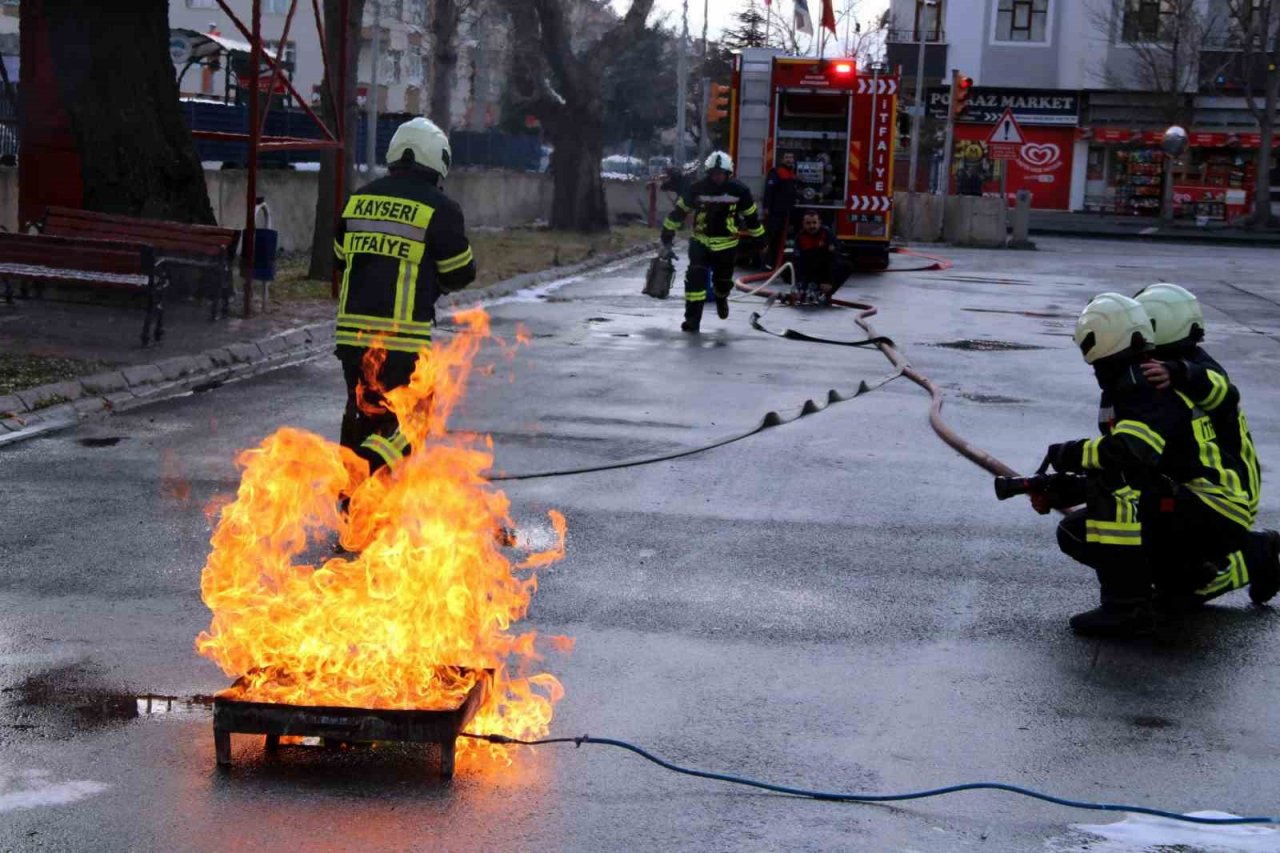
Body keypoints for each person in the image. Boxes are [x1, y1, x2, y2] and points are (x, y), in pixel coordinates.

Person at [1035, 293, 1257, 637]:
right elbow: (1144, 465)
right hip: (1209, 504)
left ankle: (1125, 606)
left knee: (1112, 493)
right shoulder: (1138, 381)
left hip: (1212, 505)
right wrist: (1066, 488)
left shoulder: (1147, 384)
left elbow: (1128, 455)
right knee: (1078, 532)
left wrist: (1072, 454)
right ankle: (1244, 560)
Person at [333, 117, 476, 475]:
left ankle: (354, 498)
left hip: (350, 338)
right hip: (400, 339)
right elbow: (460, 272)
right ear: (436, 159)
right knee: (415, 414)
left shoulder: (358, 201)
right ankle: (373, 466)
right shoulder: (440, 208)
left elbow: (337, 258)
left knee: (362, 409)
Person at [1134, 283, 1277, 605]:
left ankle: (1248, 560)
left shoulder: (1198, 369)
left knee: (1179, 594)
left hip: (1228, 487)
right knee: (1163, 564)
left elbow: (1221, 389)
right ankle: (1198, 563)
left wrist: (1180, 372)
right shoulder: (1164, 365)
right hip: (1203, 483)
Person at [660, 151, 765, 333]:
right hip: (701, 240)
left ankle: (721, 297)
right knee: (695, 279)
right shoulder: (696, 189)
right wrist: (667, 234)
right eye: (714, 173)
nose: (717, 177)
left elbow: (752, 218)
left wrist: (761, 241)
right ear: (708, 173)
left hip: (727, 244)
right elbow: (679, 212)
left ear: (728, 173)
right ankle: (692, 320)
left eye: (721, 173)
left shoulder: (740, 191)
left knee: (722, 282)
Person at [792, 210, 842, 306]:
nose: (812, 226)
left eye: (814, 223)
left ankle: (827, 291)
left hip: (824, 270)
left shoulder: (827, 234)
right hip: (808, 269)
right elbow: (797, 262)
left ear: (820, 223)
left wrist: (829, 281)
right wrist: (801, 284)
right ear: (803, 224)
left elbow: (834, 258)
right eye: (808, 223)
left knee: (846, 266)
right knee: (787, 269)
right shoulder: (800, 237)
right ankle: (806, 289)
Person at [761, 152, 798, 268]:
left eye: (791, 157)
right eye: (787, 157)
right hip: (775, 211)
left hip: (786, 212)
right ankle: (765, 263)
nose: (789, 160)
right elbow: (769, 191)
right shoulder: (776, 173)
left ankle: (776, 264)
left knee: (780, 239)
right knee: (771, 237)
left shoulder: (792, 174)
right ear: (782, 160)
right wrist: (766, 207)